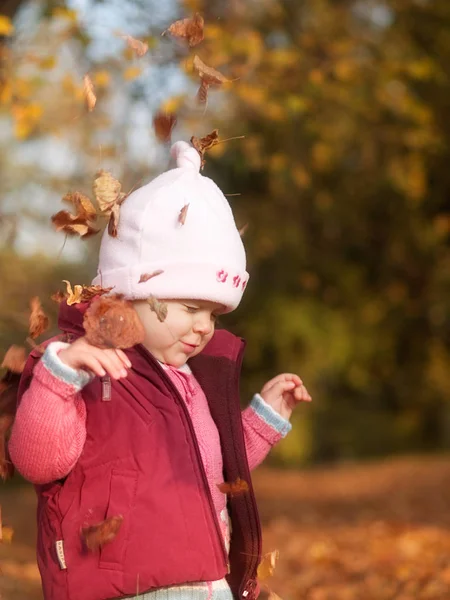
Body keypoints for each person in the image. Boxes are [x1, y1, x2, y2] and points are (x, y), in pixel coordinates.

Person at [9, 141, 311, 600]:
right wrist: (58, 379)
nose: (203, 327)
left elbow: (211, 467)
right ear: (127, 293)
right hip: (125, 587)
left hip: (207, 580)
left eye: (214, 314)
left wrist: (263, 420)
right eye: (190, 307)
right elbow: (37, 460)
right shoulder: (81, 366)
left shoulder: (190, 380)